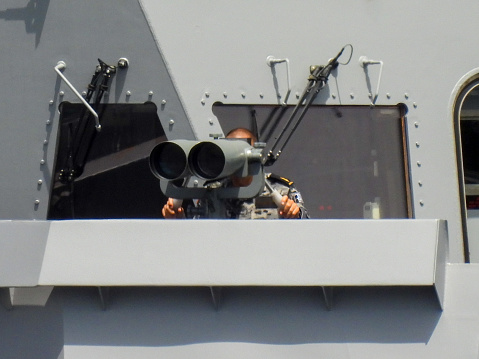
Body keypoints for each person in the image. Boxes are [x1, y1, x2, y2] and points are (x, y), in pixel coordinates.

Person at [162, 128, 308, 219]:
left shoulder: (281, 190)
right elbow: (199, 235)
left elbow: (306, 222)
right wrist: (177, 219)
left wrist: (294, 213)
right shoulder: (213, 192)